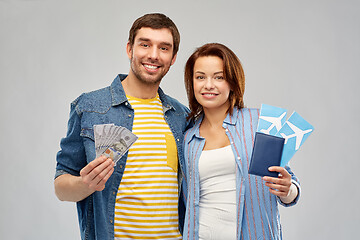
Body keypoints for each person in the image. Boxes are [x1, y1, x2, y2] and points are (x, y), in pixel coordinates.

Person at [54, 13, 189, 240]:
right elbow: (60, 187)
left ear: (173, 57)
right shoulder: (89, 107)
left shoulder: (181, 116)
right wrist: (85, 184)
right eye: (145, 44)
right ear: (130, 49)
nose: (154, 55)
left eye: (164, 48)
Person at [181, 43, 300, 240]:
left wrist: (288, 190)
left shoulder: (260, 123)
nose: (208, 85)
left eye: (218, 77)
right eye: (200, 77)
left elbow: (290, 187)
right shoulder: (188, 138)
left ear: (232, 82)